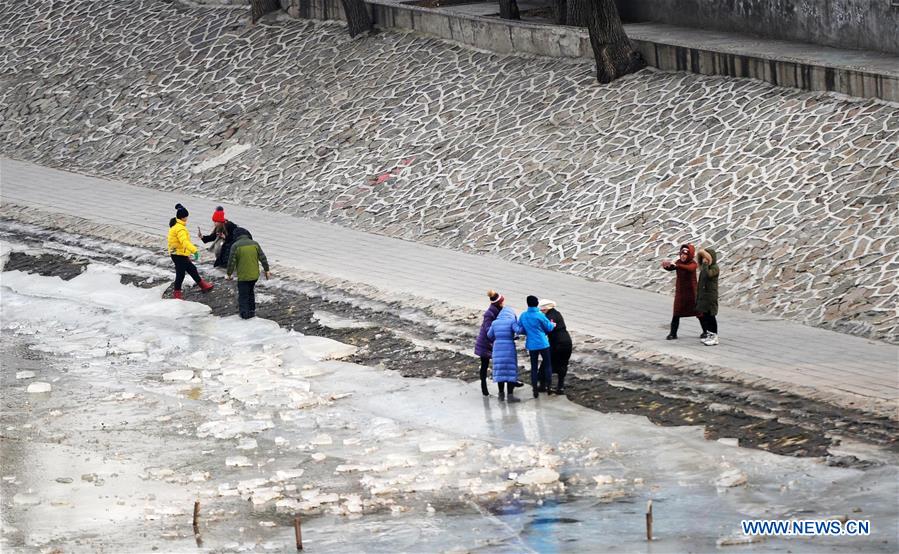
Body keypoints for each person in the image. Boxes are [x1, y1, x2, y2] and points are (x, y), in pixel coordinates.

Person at [168, 204, 214, 299]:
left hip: (178, 253)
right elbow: (184, 242)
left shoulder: (177, 225)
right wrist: (194, 251)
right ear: (183, 217)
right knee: (180, 275)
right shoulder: (180, 228)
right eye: (186, 216)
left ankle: (203, 285)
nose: (187, 218)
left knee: (192, 269)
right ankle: (177, 295)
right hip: (178, 254)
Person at [661, 243, 707, 340]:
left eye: (685, 254)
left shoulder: (692, 264)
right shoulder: (678, 263)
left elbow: (689, 269)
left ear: (689, 255)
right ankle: (673, 333)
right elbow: (672, 268)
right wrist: (666, 266)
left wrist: (677, 265)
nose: (683, 256)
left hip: (692, 293)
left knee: (699, 313)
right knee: (676, 313)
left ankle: (705, 331)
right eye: (682, 254)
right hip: (681, 293)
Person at [226, 228, 271, 319]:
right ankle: (251, 310)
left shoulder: (235, 246)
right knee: (250, 292)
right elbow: (263, 258)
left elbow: (231, 262)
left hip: (243, 276)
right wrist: (267, 270)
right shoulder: (255, 244)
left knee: (243, 295)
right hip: (254, 275)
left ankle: (244, 314)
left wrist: (229, 273)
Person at [517, 295, 555, 399]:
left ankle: (535, 390)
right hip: (543, 343)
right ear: (537, 304)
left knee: (534, 367)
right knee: (547, 365)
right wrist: (553, 324)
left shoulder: (524, 315)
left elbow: (519, 328)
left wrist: (526, 331)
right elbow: (549, 327)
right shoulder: (540, 315)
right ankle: (549, 387)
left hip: (531, 344)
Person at [486, 304, 522, 403]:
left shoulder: (495, 323)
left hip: (497, 348)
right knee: (510, 370)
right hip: (509, 347)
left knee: (500, 371)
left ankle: (501, 395)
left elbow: (489, 335)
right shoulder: (511, 321)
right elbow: (519, 330)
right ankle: (510, 396)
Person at [539, 299, 572, 395]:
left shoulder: (549, 317)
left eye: (542, 310)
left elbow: (547, 329)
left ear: (546, 309)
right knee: (563, 364)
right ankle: (560, 387)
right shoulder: (557, 313)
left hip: (557, 343)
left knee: (546, 363)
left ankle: (543, 385)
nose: (541, 312)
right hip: (567, 342)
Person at [474, 290, 504, 396]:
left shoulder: (498, 311)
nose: (503, 304)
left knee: (497, 365)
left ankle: (503, 388)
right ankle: (484, 388)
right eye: (502, 302)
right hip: (485, 344)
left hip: (492, 343)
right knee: (485, 365)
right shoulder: (489, 314)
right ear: (498, 303)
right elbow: (488, 330)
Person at [696, 247, 720, 346]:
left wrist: (706, 264)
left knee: (711, 316)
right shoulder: (704, 268)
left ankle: (714, 336)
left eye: (705, 258)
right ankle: (709, 334)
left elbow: (707, 275)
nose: (703, 260)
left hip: (710, 295)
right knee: (705, 315)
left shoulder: (715, 268)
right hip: (704, 296)